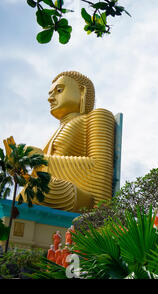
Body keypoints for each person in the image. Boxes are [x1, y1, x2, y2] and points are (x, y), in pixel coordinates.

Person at [12, 71, 116, 212]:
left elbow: (100, 169)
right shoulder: (55, 132)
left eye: (59, 90)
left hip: (82, 197)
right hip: (54, 187)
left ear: (82, 91)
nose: (51, 98)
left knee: (38, 190)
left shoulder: (97, 117)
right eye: (50, 94)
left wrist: (42, 160)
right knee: (26, 194)